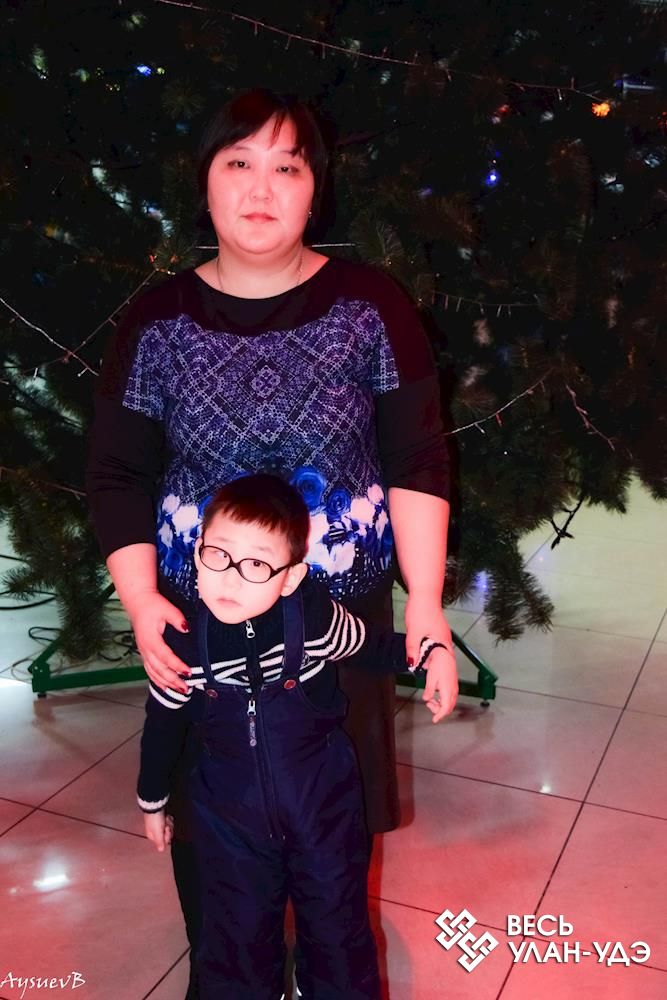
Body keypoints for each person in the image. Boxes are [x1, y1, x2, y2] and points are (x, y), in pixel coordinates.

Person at [85, 88, 456, 998]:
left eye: (286, 167)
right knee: (215, 848)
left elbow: (415, 456)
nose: (260, 189)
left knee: (332, 838)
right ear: (205, 182)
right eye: (238, 163)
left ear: (314, 188)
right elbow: (118, 473)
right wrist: (142, 602)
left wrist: (426, 603)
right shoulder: (156, 321)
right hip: (200, 613)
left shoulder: (370, 305)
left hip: (338, 620)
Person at [138, 474, 456, 999]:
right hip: (229, 822)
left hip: (323, 811)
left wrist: (430, 654)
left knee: (338, 936)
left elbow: (374, 647)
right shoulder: (182, 646)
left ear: (290, 578)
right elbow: (162, 725)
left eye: (257, 564)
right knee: (235, 944)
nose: (232, 578)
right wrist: (152, 801)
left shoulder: (313, 622)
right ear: (196, 553)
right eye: (218, 555)